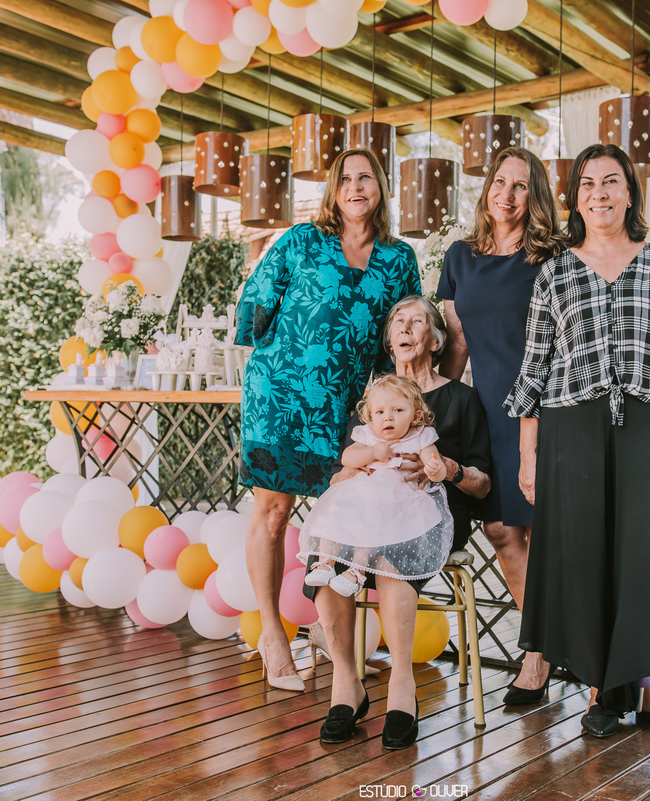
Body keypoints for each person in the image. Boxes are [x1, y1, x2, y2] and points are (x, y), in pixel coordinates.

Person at [505, 143, 650, 739]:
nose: (599, 194)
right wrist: (528, 455)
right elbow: (535, 368)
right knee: (585, 558)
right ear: (575, 199)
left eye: (611, 182)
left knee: (646, 557)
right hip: (570, 429)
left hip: (644, 427)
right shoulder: (555, 272)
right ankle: (601, 691)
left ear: (629, 193)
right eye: (588, 184)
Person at [234, 149, 420, 693]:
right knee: (273, 512)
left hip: (348, 409)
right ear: (333, 190)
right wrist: (282, 359)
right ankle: (273, 635)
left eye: (365, 178)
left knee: (344, 521)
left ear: (380, 187)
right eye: (345, 179)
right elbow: (254, 307)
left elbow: (401, 334)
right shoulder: (300, 240)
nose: (355, 187)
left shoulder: (399, 258)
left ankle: (330, 638)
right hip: (281, 399)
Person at [307, 295, 492, 750]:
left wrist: (447, 469)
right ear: (390, 340)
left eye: (418, 321)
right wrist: (358, 470)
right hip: (367, 511)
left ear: (437, 340)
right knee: (325, 557)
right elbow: (342, 467)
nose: (406, 329)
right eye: (398, 322)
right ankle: (346, 684)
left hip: (429, 515)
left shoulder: (461, 399)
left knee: (392, 557)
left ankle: (402, 685)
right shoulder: (375, 400)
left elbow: (483, 484)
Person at [437, 146, 562, 704]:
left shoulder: (554, 256)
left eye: (521, 185)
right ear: (487, 187)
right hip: (488, 411)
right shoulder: (459, 257)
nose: (506, 195)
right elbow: (457, 342)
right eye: (499, 182)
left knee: (553, 534)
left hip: (550, 410)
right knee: (502, 531)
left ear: (535, 197)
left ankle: (561, 652)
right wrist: (430, 405)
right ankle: (540, 649)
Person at [299, 374, 453, 598]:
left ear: (416, 416)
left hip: (398, 499)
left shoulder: (420, 435)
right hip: (360, 493)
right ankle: (325, 564)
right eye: (380, 412)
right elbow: (347, 458)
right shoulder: (368, 434)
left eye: (398, 410)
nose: (387, 417)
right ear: (371, 417)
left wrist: (436, 470)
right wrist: (372, 452)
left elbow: (434, 460)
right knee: (335, 512)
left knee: (373, 523)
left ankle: (356, 572)